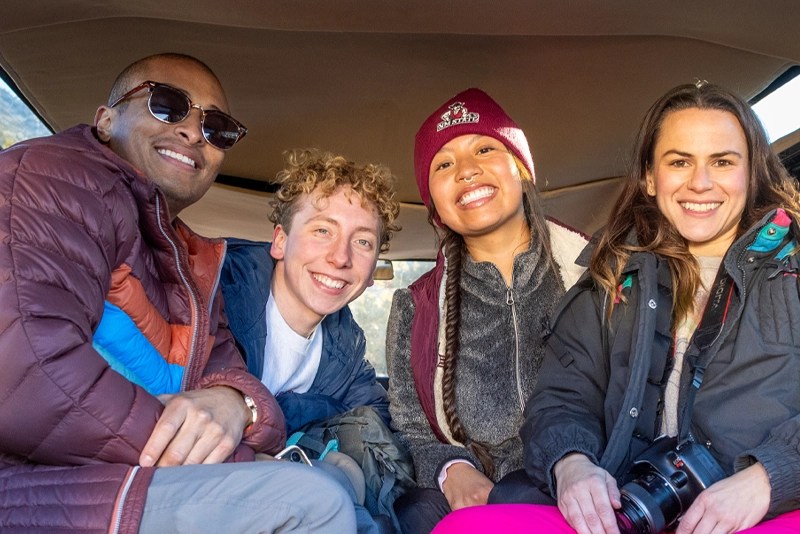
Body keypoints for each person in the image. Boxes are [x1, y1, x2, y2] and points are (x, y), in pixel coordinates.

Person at [0, 53, 355, 533]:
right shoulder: (49, 178)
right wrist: (230, 455)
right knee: (317, 502)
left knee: (340, 488)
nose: (193, 132)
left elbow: (235, 379)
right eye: (167, 105)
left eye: (217, 129)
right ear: (106, 120)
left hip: (117, 477)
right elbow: (26, 371)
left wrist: (237, 403)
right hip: (37, 486)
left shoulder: (190, 263)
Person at [516, 81, 800, 534]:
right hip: (634, 510)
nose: (700, 182)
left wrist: (770, 476)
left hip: (771, 511)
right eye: (679, 161)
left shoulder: (793, 265)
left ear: (752, 173)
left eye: (722, 162)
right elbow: (561, 398)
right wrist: (572, 465)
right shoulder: (608, 280)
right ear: (650, 178)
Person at [386, 87, 588, 533]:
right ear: (435, 206)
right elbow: (411, 426)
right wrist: (451, 470)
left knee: (519, 493)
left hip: (584, 478)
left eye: (484, 148)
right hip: (469, 494)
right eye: (444, 163)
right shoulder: (414, 306)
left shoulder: (597, 274)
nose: (467, 170)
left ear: (522, 169)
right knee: (409, 514)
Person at [220, 148, 403, 533]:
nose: (340, 258)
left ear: (371, 274)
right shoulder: (214, 297)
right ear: (280, 242)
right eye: (323, 230)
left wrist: (331, 461)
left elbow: (377, 423)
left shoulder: (346, 351)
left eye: (363, 242)